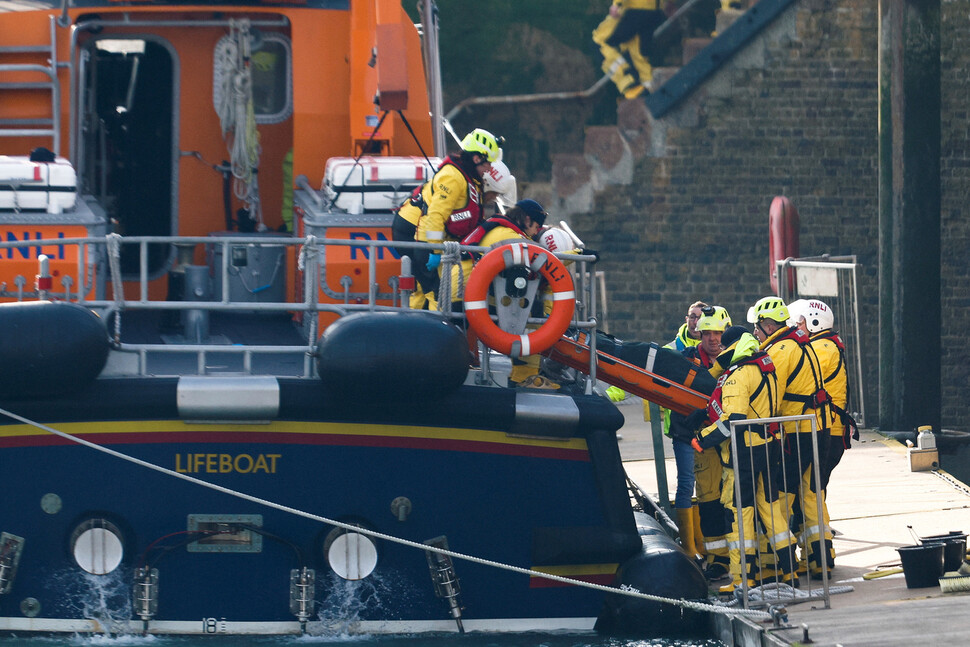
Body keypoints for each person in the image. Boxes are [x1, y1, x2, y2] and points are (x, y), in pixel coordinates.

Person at [689, 325, 799, 592]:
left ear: (733, 346)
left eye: (725, 346)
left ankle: (742, 580)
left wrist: (701, 438)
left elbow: (732, 420)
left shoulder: (737, 375)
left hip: (743, 454)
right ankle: (790, 572)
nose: (722, 351)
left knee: (739, 515)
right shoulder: (766, 368)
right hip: (768, 449)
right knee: (771, 511)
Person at [747, 296, 833, 580]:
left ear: (769, 325)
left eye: (758, 328)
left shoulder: (781, 350)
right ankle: (821, 559)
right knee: (811, 496)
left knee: (780, 494)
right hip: (819, 428)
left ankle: (776, 564)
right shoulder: (800, 342)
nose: (755, 333)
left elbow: (770, 390)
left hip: (797, 431)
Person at [392, 128, 501, 309]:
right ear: (476, 158)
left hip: (425, 233)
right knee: (437, 291)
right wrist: (434, 250)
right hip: (415, 233)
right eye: (487, 163)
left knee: (423, 288)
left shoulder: (467, 177)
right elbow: (435, 215)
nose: (489, 168)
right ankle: (433, 331)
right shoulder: (452, 177)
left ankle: (414, 321)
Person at [460, 200, 555, 388]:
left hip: (473, 293)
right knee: (531, 317)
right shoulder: (511, 236)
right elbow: (539, 261)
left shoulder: (500, 229)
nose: (537, 231)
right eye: (536, 226)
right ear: (527, 219)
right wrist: (573, 254)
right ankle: (524, 377)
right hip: (473, 296)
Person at [667, 305, 731, 572]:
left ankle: (732, 552)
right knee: (697, 492)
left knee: (729, 495)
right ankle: (704, 553)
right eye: (707, 333)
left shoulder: (735, 359)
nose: (712, 339)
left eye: (717, 333)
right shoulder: (685, 359)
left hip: (725, 438)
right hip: (695, 438)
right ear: (699, 334)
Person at [592, 0, 666, 99]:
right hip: (654, 11)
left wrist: (617, 4)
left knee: (599, 41)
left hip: (633, 8)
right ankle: (648, 85)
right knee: (637, 49)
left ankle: (628, 84)